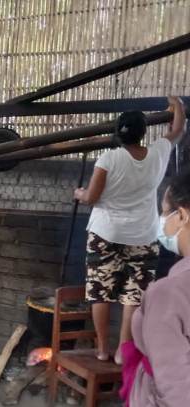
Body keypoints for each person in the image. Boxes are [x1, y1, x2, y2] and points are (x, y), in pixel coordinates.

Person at [74, 96, 186, 364]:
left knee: (100, 291)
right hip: (144, 236)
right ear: (143, 132)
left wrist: (79, 193)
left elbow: (91, 197)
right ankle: (124, 351)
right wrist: (176, 105)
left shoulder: (109, 158)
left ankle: (102, 348)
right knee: (133, 294)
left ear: (118, 133)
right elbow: (178, 129)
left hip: (105, 234)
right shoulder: (158, 151)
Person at [121, 170, 190, 406]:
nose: (162, 220)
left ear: (182, 215)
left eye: (164, 212)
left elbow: (176, 390)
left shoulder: (170, 292)